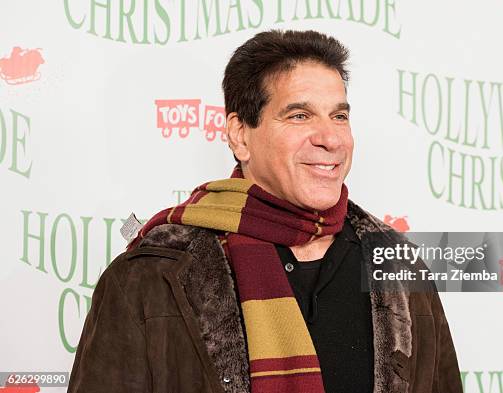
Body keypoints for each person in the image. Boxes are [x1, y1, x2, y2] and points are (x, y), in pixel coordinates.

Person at [67, 29, 463, 393]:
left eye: (339, 115)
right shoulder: (150, 276)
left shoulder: (398, 267)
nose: (330, 138)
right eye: (299, 115)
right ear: (240, 135)